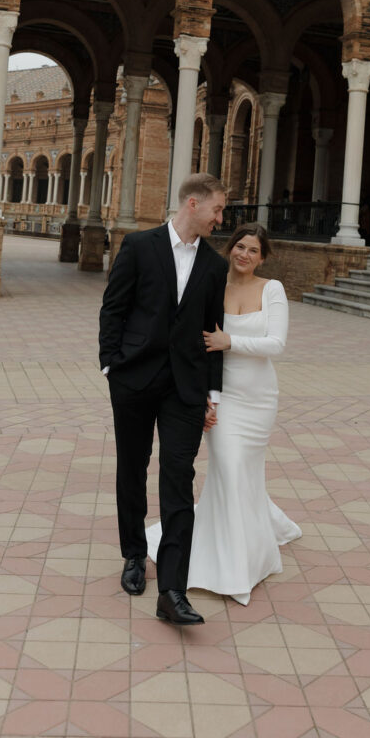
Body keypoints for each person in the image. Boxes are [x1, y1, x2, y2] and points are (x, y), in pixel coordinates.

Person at [147, 224, 301, 605]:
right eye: (239, 246)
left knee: (244, 470)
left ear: (262, 257)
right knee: (228, 468)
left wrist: (229, 340)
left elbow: (276, 344)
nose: (244, 254)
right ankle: (233, 564)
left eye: (253, 250)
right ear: (230, 249)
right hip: (222, 395)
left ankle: (251, 538)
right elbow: (195, 344)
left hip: (259, 397)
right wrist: (205, 398)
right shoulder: (214, 283)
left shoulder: (272, 290)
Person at [99, 172, 228, 626]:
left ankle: (172, 589)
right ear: (193, 203)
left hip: (185, 388)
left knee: (178, 477)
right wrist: (111, 364)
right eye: (217, 209)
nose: (220, 218)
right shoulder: (139, 246)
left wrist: (213, 392)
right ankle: (134, 555)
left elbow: (212, 332)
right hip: (133, 379)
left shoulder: (215, 266)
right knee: (131, 468)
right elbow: (113, 307)